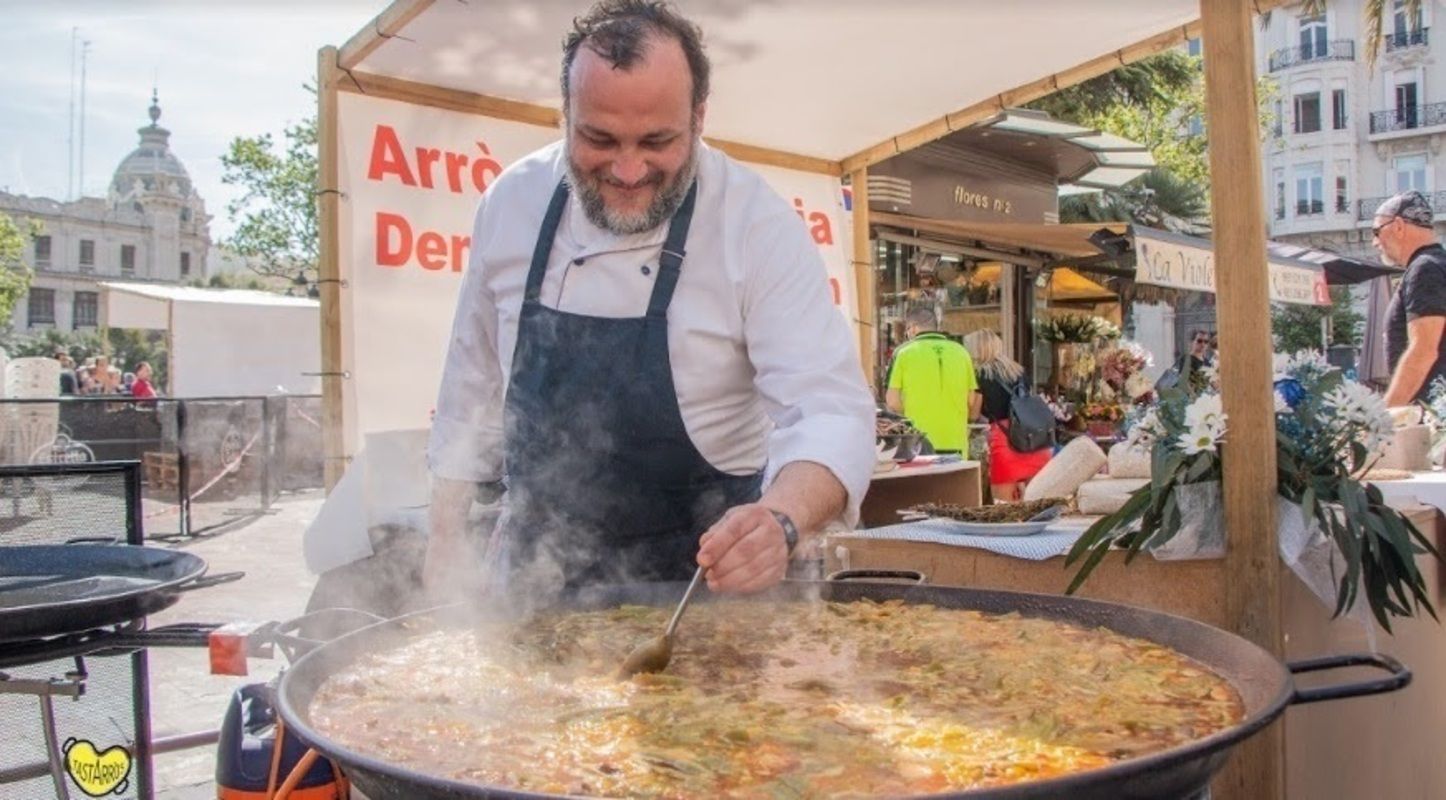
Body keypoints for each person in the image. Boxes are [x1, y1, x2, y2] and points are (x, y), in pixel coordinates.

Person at [423, 0, 875, 597]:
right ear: (566, 115)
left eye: (657, 141)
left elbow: (829, 410)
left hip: (702, 599)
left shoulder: (754, 222)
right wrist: (445, 539)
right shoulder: (512, 203)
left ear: (699, 118)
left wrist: (780, 520)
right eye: (599, 139)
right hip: (537, 586)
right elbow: (470, 388)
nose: (629, 169)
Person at [1375, 191, 1446, 405]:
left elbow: (1423, 350)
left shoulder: (1425, 269)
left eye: (1376, 231)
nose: (1374, 242)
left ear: (1398, 225)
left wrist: (1384, 415)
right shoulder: (1435, 264)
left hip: (1431, 416)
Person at [963, 330, 1051, 501]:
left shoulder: (980, 375)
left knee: (1004, 508)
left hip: (1005, 441)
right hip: (1033, 440)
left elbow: (973, 415)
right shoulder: (1018, 371)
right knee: (1035, 506)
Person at [884, 307, 977, 455]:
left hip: (917, 441)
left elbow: (892, 401)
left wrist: (911, 412)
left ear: (913, 328)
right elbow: (972, 400)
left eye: (907, 329)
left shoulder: (904, 353)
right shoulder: (962, 352)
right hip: (956, 441)